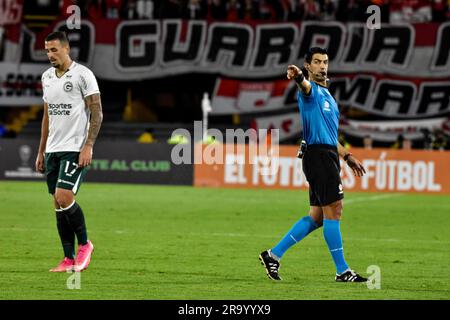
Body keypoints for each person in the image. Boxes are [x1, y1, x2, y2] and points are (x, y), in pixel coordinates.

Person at [259, 47, 368, 283]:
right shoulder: (311, 91)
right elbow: (304, 86)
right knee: (335, 209)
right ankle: (342, 271)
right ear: (308, 65)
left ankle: (272, 256)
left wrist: (347, 156)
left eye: (325, 61)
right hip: (318, 157)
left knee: (318, 216)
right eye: (317, 62)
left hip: (326, 154)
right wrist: (298, 76)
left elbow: (330, 136)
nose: (322, 66)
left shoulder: (329, 98)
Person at [35, 31, 103, 272]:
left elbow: (97, 112)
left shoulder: (83, 75)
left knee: (64, 196)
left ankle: (85, 245)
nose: (50, 54)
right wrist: (41, 151)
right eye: (47, 50)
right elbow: (47, 115)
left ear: (66, 49)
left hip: (74, 148)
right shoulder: (46, 77)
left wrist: (88, 146)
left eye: (54, 50)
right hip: (53, 148)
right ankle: (67, 258)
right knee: (57, 202)